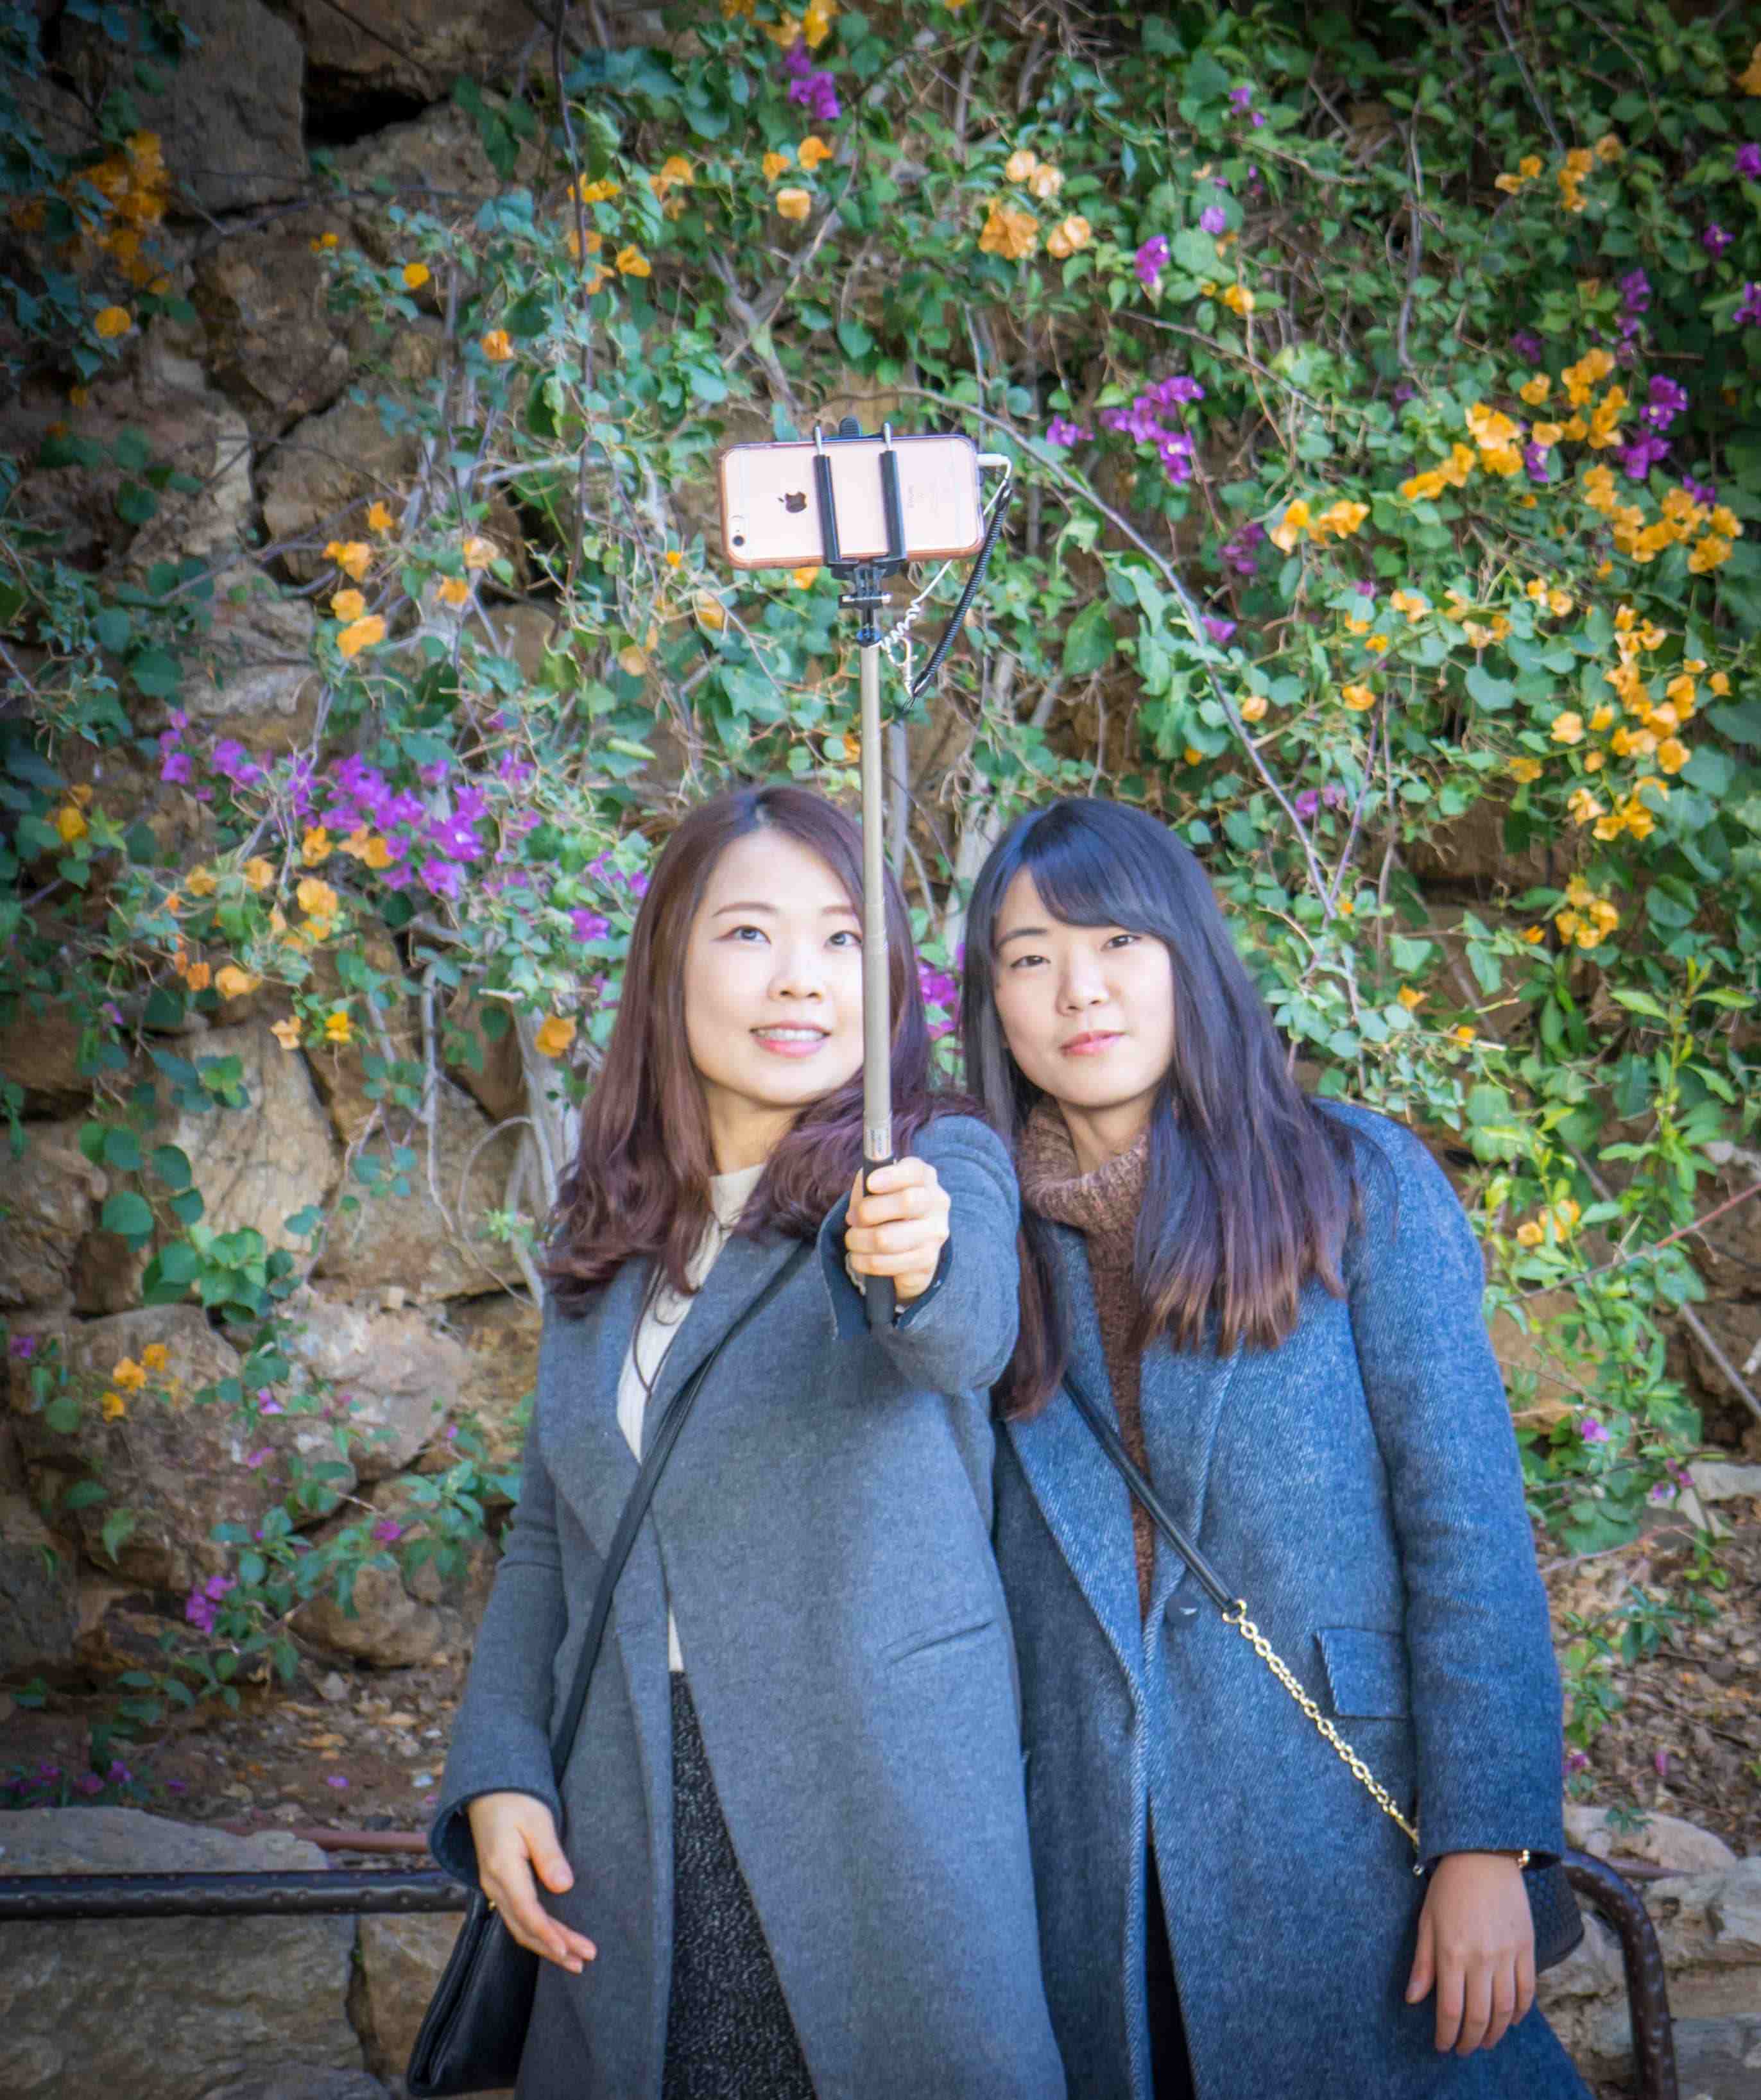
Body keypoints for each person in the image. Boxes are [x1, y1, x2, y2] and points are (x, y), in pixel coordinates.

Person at [427, 783, 1063, 2100]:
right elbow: (551, 1538)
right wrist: (500, 1768)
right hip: (630, 1821)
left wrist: (913, 1257)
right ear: (669, 959)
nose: (801, 979)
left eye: (842, 938)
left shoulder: (931, 1163)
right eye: (749, 933)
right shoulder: (610, 1225)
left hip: (872, 1821)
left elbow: (960, 1331)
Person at [961, 796, 1591, 2100]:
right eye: (1030, 956)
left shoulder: (1350, 1179)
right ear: (992, 999)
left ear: (1188, 953)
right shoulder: (980, 1250)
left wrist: (1488, 1841)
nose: (1081, 988)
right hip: (1093, 1868)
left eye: (1118, 940)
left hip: (1347, 1836)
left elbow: (1466, 1524)